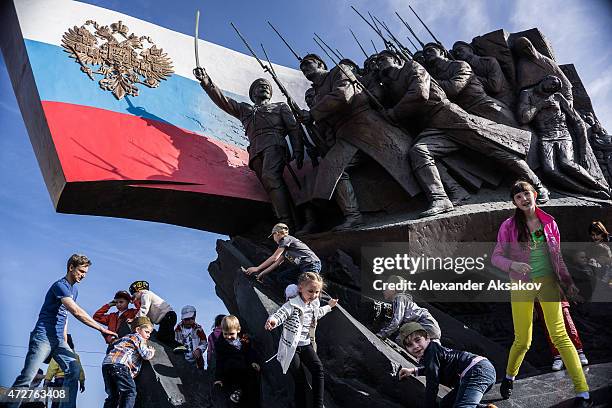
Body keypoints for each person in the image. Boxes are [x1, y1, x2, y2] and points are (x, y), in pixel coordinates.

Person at [376, 50, 549, 218]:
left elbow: (420, 94)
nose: (379, 63)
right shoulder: (391, 86)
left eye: (383, 59)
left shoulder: (413, 67)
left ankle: (538, 186)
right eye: (377, 62)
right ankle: (442, 198)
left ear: (396, 59)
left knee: (498, 151)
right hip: (435, 127)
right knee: (419, 151)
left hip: (450, 117)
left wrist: (394, 113)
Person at [491, 180, 592, 407]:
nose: (524, 200)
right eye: (518, 198)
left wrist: (568, 283)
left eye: (526, 194)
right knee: (523, 340)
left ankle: (583, 391)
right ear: (514, 202)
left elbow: (557, 258)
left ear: (534, 194)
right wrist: (512, 265)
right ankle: (509, 377)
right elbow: (495, 257)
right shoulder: (509, 226)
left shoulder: (550, 223)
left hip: (548, 283)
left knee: (560, 335)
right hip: (522, 284)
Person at [298, 53, 420, 230]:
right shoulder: (316, 93)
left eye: (308, 64)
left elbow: (343, 94)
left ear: (320, 63)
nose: (305, 70)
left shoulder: (339, 71)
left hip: (365, 124)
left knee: (403, 155)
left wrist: (313, 114)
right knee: (332, 167)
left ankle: (438, 194)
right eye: (302, 69)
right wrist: (310, 119)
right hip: (345, 134)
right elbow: (325, 121)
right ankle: (353, 216)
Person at [193, 66, 303, 230]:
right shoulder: (245, 109)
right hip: (255, 150)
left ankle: (286, 221)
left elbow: (294, 128)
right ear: (253, 93)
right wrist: (206, 81)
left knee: (270, 177)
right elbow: (224, 101)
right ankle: (287, 221)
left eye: (267, 85)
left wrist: (298, 149)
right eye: (260, 85)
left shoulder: (280, 107)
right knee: (269, 185)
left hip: (274, 142)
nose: (264, 87)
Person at [8, 254, 117, 408]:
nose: (83, 276)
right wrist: (101, 328)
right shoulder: (60, 285)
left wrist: (64, 341)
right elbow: (76, 311)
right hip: (43, 337)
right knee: (28, 376)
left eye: (85, 273)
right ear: (71, 267)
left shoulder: (75, 290)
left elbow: (65, 316)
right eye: (81, 271)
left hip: (59, 340)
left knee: (73, 369)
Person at [517, 75, 610, 199]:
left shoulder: (558, 97)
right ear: (545, 79)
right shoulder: (527, 94)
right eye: (553, 82)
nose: (554, 86)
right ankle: (590, 192)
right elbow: (523, 118)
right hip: (545, 137)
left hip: (563, 136)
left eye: (556, 86)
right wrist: (540, 105)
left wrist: (583, 151)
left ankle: (602, 187)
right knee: (550, 170)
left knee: (566, 163)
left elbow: (577, 121)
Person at [265, 272, 338, 408]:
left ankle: (318, 404)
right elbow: (280, 314)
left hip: (305, 345)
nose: (314, 295)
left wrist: (329, 306)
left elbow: (318, 314)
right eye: (310, 291)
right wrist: (272, 321)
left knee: (318, 369)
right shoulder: (292, 305)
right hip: (291, 348)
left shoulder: (313, 304)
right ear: (300, 288)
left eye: (317, 292)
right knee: (300, 379)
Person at [398, 322, 497, 408]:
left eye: (418, 340)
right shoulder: (433, 352)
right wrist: (413, 371)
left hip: (477, 371)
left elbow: (432, 383)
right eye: (410, 345)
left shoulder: (431, 351)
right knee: (446, 404)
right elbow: (434, 369)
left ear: (427, 338)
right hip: (477, 371)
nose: (415, 346)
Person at [101, 316, 156, 408]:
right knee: (130, 392)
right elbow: (145, 355)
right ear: (138, 329)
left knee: (113, 396)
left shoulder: (124, 338)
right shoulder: (138, 338)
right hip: (120, 365)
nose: (148, 335)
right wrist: (151, 351)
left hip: (106, 365)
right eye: (147, 332)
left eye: (150, 333)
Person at [244, 223, 321, 283]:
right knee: (282, 277)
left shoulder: (286, 239)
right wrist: (262, 274)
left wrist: (257, 268)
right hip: (301, 266)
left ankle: (326, 301)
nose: (274, 239)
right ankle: (295, 293)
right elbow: (277, 263)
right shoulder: (286, 249)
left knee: (310, 284)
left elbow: (274, 257)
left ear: (277, 233)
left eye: (273, 236)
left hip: (310, 264)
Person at [376, 275, 442, 342]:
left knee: (400, 340)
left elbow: (396, 321)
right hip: (432, 327)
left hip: (425, 324)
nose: (383, 290)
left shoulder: (399, 298)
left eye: (386, 287)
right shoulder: (404, 299)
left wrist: (382, 334)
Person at [213, 315, 260, 406]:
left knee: (252, 375)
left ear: (238, 330)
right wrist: (218, 378)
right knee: (233, 371)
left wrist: (253, 361)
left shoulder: (244, 338)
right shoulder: (220, 344)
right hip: (231, 369)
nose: (228, 337)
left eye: (231, 334)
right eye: (225, 334)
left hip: (245, 367)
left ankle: (244, 395)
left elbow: (249, 351)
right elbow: (219, 362)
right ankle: (236, 391)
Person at [534, 300, 588, 371]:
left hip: (557, 299)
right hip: (540, 302)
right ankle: (558, 357)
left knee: (569, 325)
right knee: (549, 329)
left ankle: (579, 352)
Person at [129, 280, 178, 347]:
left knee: (166, 335)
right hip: (166, 318)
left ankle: (177, 346)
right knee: (161, 336)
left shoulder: (145, 294)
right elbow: (149, 316)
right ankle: (173, 347)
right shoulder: (147, 298)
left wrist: (135, 319)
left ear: (138, 291)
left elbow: (144, 308)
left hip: (167, 316)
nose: (135, 298)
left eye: (134, 295)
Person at [44, 335, 85, 408]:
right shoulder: (75, 356)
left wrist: (47, 380)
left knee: (56, 403)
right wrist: (82, 382)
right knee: (70, 401)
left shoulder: (58, 354)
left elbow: (52, 368)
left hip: (60, 381)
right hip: (73, 381)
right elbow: (80, 370)